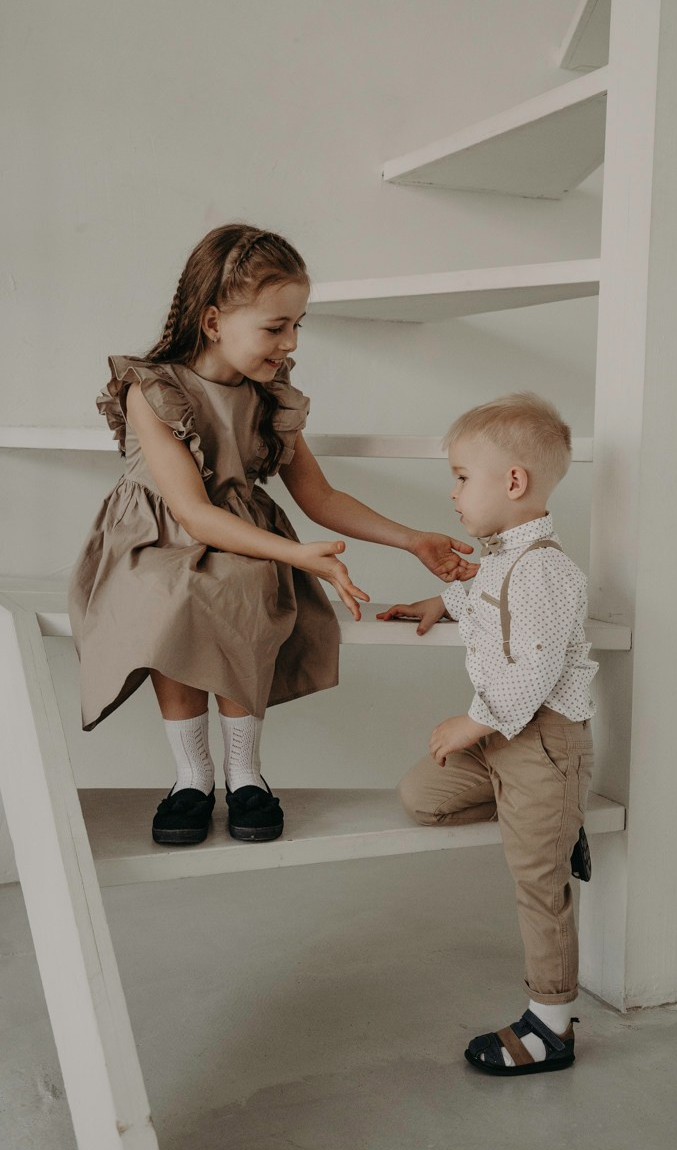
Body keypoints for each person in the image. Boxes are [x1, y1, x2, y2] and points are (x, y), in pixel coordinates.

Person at [69, 224, 476, 846]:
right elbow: (193, 513)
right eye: (275, 327)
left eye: (297, 326)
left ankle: (245, 773)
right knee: (166, 595)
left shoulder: (268, 397)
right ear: (213, 322)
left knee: (248, 583)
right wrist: (300, 555)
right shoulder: (154, 391)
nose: (290, 343)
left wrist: (410, 538)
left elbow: (320, 497)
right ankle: (191, 777)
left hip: (243, 539)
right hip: (157, 536)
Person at [377, 392, 598, 1076]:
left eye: (462, 477)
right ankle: (556, 822)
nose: (453, 493)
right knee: (423, 795)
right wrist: (440, 602)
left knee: (537, 883)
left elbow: (535, 668)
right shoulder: (502, 558)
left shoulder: (546, 569)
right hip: (505, 741)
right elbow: (483, 597)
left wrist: (472, 722)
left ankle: (550, 1026)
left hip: (542, 742)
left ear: (514, 482)